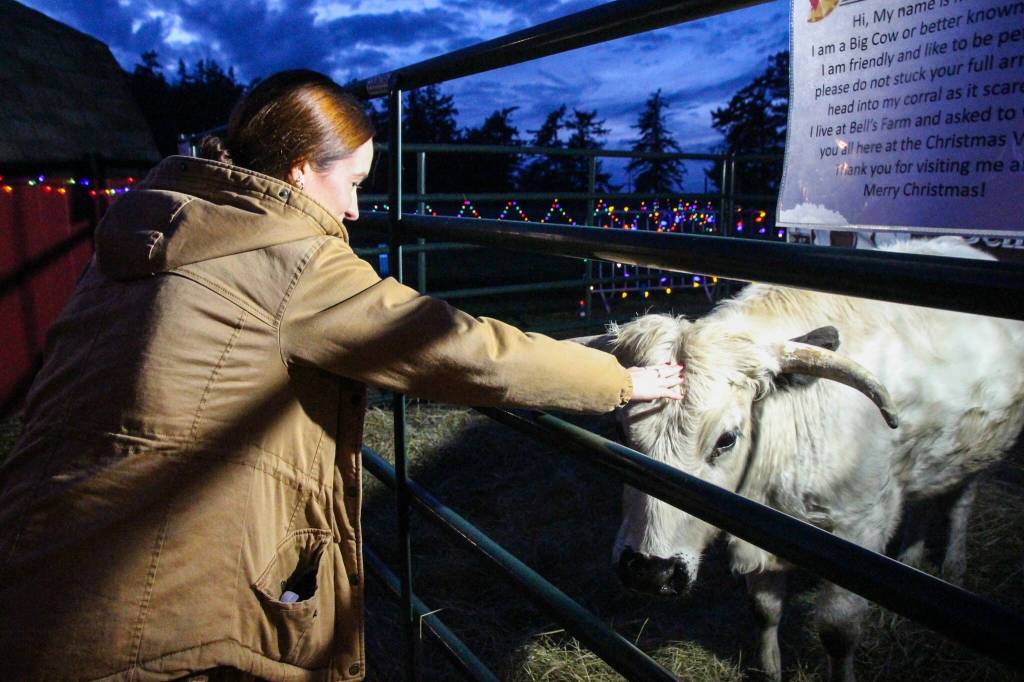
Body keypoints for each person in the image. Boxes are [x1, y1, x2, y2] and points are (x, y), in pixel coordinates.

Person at [0, 70, 683, 682]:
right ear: (300, 171)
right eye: (352, 184)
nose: (356, 210)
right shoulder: (287, 254)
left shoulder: (154, 231)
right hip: (140, 605)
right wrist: (619, 379)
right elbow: (458, 348)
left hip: (39, 560)